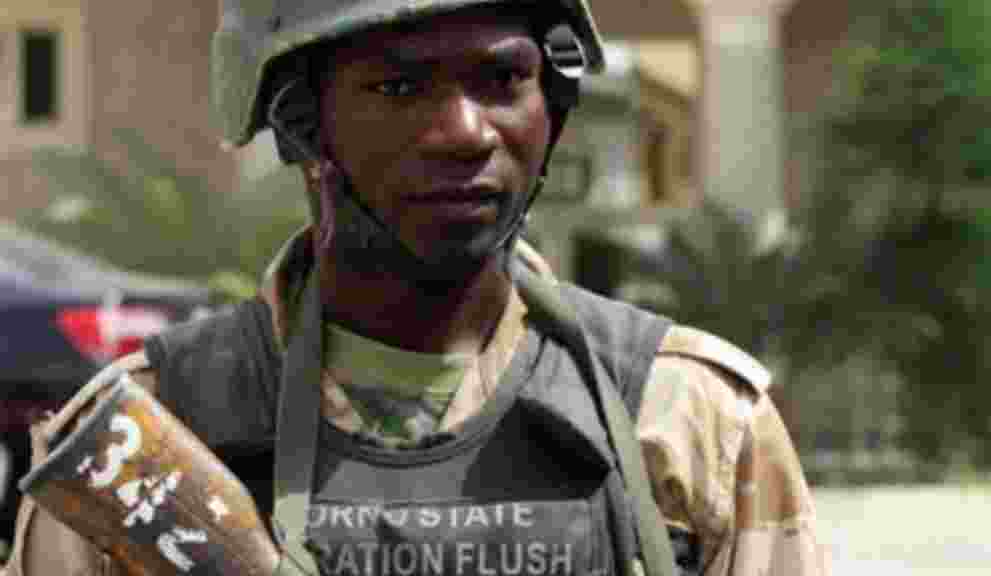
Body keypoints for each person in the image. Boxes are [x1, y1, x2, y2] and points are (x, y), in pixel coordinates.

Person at [2, 1, 829, 575]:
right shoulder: (139, 447)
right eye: (400, 87)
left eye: (503, 81)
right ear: (299, 123)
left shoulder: (689, 423)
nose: (467, 132)